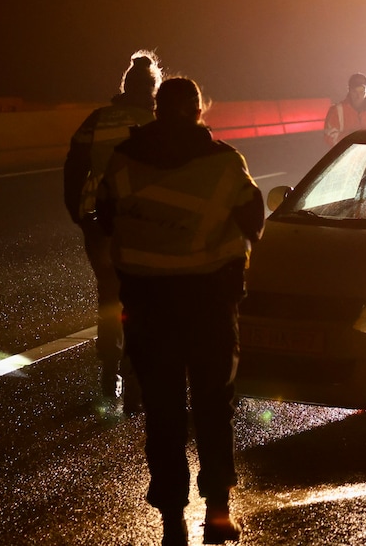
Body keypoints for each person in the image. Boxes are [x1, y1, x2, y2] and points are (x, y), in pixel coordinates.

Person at [96, 77, 263, 545]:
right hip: (209, 304)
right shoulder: (225, 163)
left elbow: (105, 216)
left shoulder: (125, 161)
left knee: (163, 411)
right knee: (213, 406)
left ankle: (172, 519)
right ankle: (218, 512)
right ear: (198, 112)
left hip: (149, 305)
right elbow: (253, 219)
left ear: (154, 109)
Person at [63, 50, 162, 411]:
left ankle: (109, 369)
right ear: (154, 88)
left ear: (125, 86)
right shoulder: (158, 121)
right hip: (144, 223)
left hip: (99, 222)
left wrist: (75, 210)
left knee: (109, 295)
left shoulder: (98, 119)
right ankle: (137, 375)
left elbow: (74, 165)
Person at [323, 72, 366, 146]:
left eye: (362, 92)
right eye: (354, 91)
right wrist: (357, 137)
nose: (358, 96)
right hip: (347, 156)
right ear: (349, 90)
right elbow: (329, 136)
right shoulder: (336, 110)